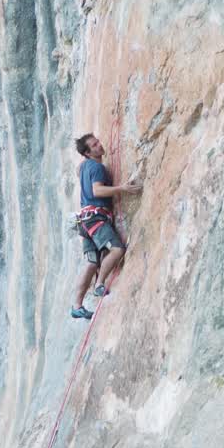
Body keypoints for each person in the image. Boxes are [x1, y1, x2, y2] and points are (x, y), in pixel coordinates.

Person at [70, 133, 141, 320]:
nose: (100, 146)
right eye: (94, 145)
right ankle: (99, 285)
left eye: (98, 142)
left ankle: (76, 305)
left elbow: (78, 171)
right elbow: (97, 190)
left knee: (92, 262)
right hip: (96, 218)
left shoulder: (84, 166)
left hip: (84, 222)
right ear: (88, 152)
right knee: (117, 250)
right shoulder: (97, 167)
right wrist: (122, 189)